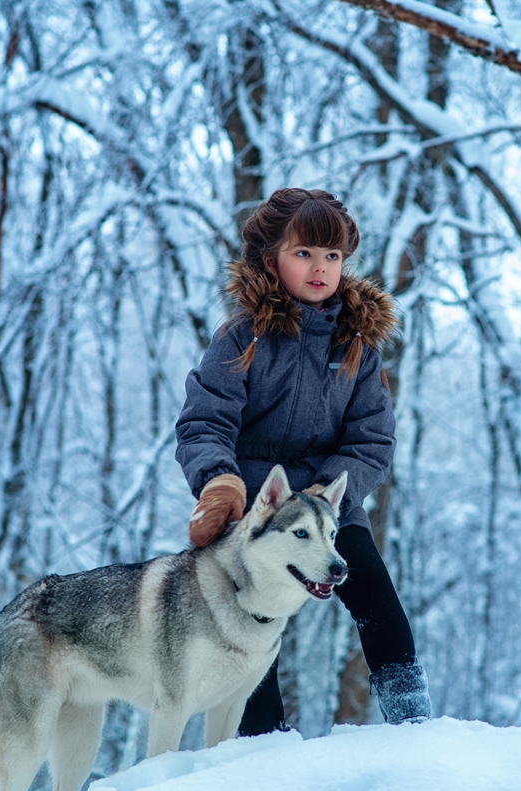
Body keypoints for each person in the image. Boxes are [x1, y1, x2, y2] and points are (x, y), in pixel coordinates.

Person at [174, 187, 431, 734]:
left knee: (375, 594)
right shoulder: (241, 338)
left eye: (332, 255)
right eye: (304, 253)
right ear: (272, 261)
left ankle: (413, 723)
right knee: (247, 616)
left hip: (327, 504)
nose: (320, 267)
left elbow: (372, 439)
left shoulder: (356, 347)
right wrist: (219, 482)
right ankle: (262, 741)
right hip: (256, 508)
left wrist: (328, 493)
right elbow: (205, 420)